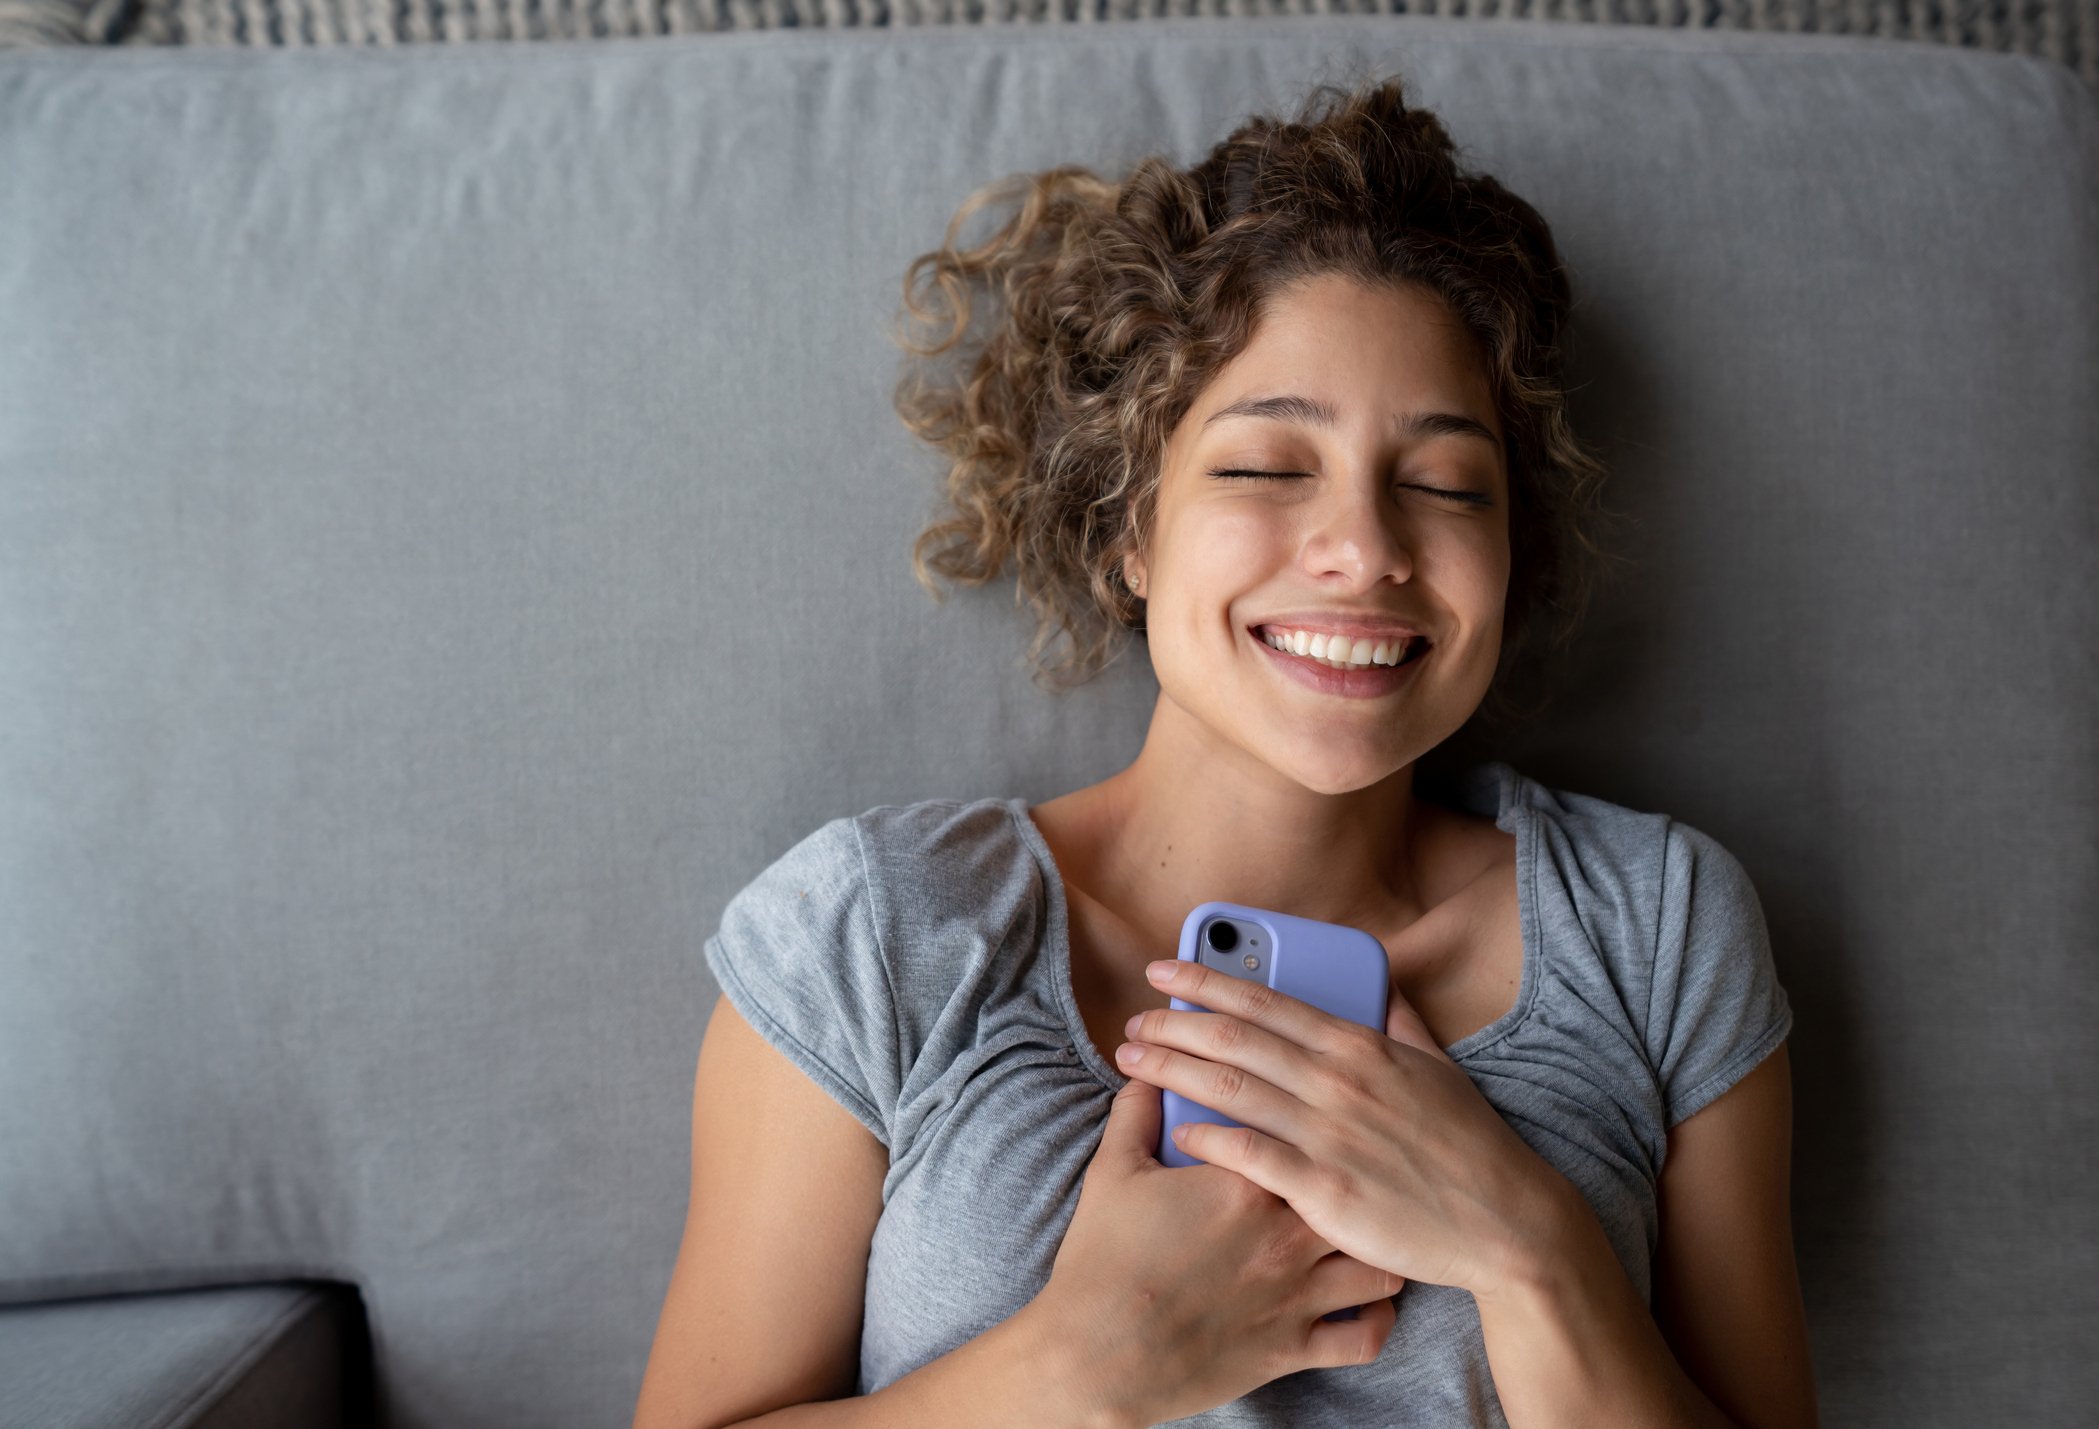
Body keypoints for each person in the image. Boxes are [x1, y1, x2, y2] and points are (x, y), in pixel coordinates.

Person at [634, 71, 1819, 1429]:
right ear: (1128, 529)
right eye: (1266, 466)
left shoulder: (1658, 931)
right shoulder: (872, 932)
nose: (1366, 549)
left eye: (1441, 483)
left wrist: (1528, 1248)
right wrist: (1077, 1372)